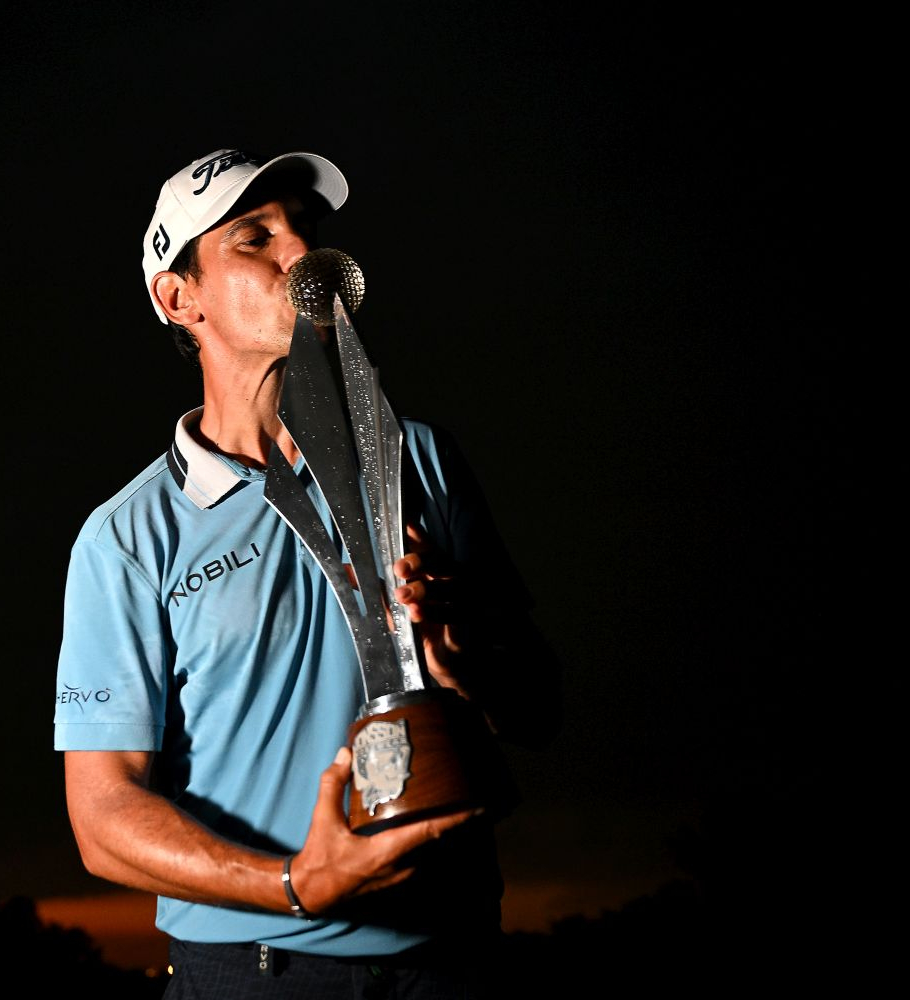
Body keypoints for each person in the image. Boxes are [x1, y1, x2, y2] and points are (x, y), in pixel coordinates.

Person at [53, 148, 562, 999]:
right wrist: (294, 885)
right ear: (180, 299)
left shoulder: (419, 459)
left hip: (452, 956)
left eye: (307, 230)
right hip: (258, 973)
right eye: (255, 237)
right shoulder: (125, 538)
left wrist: (470, 659)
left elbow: (540, 708)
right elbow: (103, 820)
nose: (302, 254)